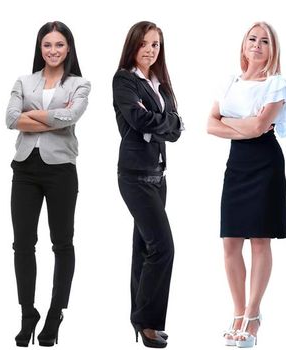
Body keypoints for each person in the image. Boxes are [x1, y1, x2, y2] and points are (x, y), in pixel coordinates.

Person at [207, 21, 286, 349]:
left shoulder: (276, 84)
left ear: (273, 50)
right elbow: (209, 124)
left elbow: (261, 128)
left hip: (265, 164)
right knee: (230, 241)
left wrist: (233, 123)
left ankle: (253, 315)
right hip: (237, 164)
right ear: (244, 45)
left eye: (264, 41)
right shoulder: (231, 81)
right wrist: (247, 125)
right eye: (252, 39)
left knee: (259, 240)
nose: (257, 45)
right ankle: (237, 311)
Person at [5, 20, 90, 347]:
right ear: (40, 49)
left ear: (68, 48)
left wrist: (33, 116)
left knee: (62, 243)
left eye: (58, 45)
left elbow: (71, 118)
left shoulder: (80, 84)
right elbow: (11, 119)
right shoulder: (24, 81)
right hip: (25, 169)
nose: (53, 51)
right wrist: (53, 116)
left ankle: (55, 312)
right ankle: (28, 313)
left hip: (61, 171)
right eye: (47, 45)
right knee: (22, 244)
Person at [113, 20, 183, 349]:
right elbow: (138, 120)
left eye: (155, 44)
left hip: (159, 176)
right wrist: (162, 123)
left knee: (144, 249)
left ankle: (141, 320)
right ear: (133, 45)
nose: (150, 50)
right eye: (144, 44)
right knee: (164, 247)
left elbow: (177, 127)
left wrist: (162, 123)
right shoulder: (124, 80)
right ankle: (147, 322)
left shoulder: (160, 83)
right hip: (134, 175)